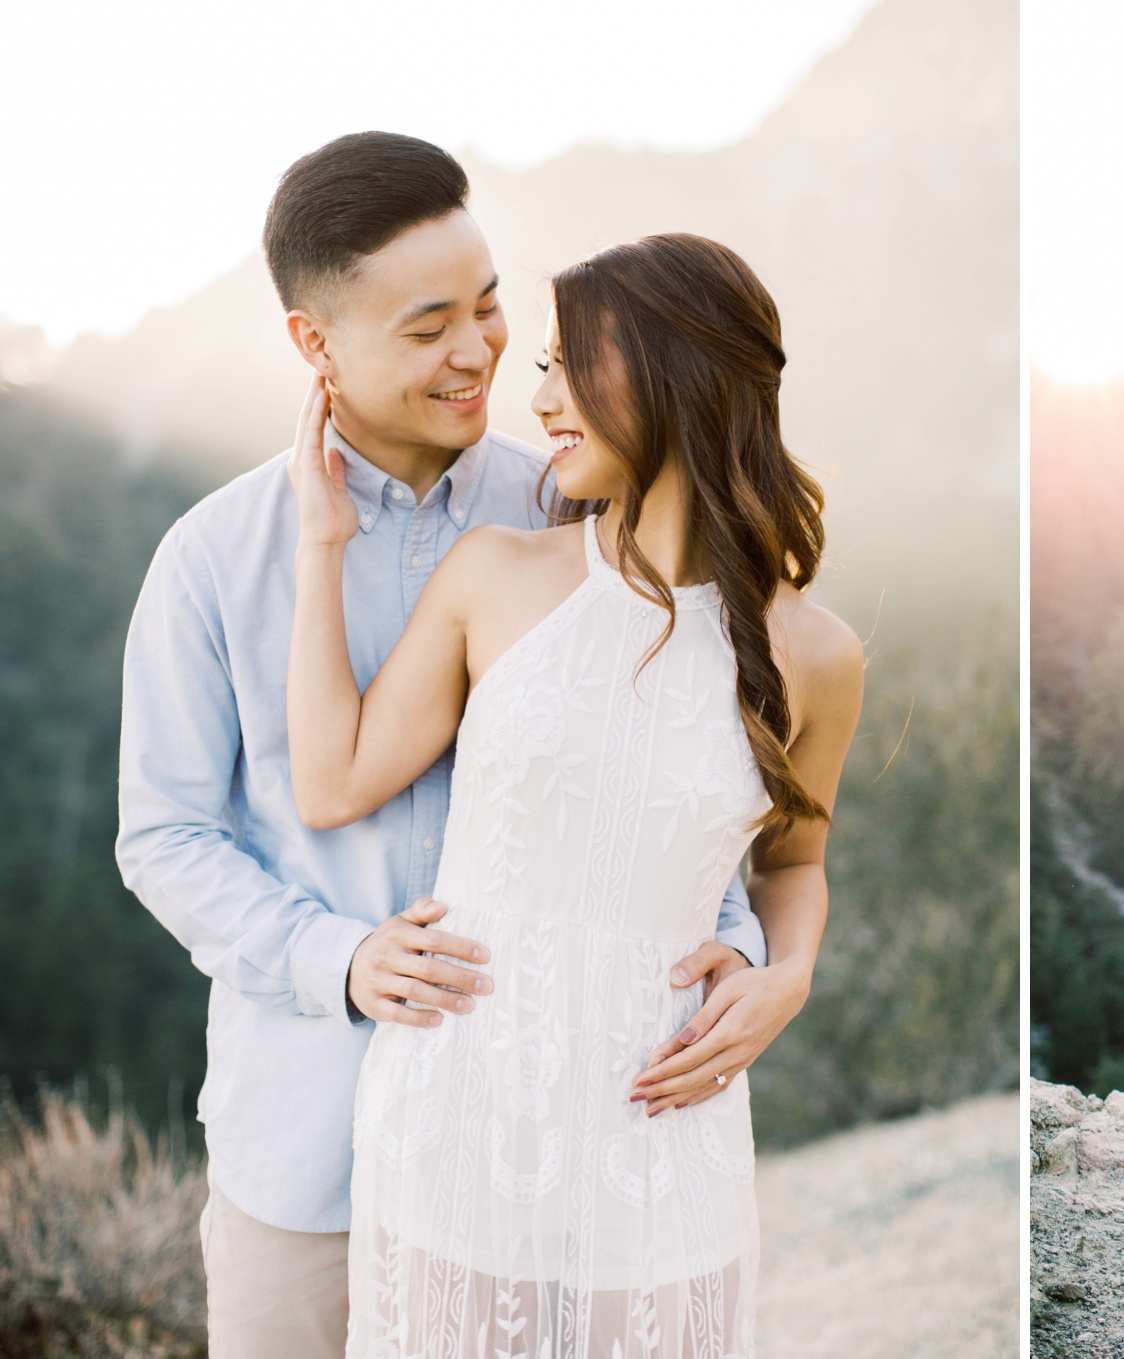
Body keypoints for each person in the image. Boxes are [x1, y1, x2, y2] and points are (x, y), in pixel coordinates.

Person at [115, 133, 777, 1359]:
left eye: (487, 308)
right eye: (428, 329)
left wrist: (740, 950)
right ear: (315, 345)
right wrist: (340, 960)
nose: (477, 352)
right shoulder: (215, 558)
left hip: (544, 1157)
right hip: (304, 1153)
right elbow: (164, 836)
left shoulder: (575, 508)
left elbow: (671, 770)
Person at [286, 228, 864, 1356]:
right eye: (542, 364)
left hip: (663, 1134)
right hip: (455, 1118)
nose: (539, 397)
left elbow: (793, 864)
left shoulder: (816, 655)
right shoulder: (495, 579)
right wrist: (322, 539)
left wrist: (787, 976)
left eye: (570, 365)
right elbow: (332, 778)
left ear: (674, 375)